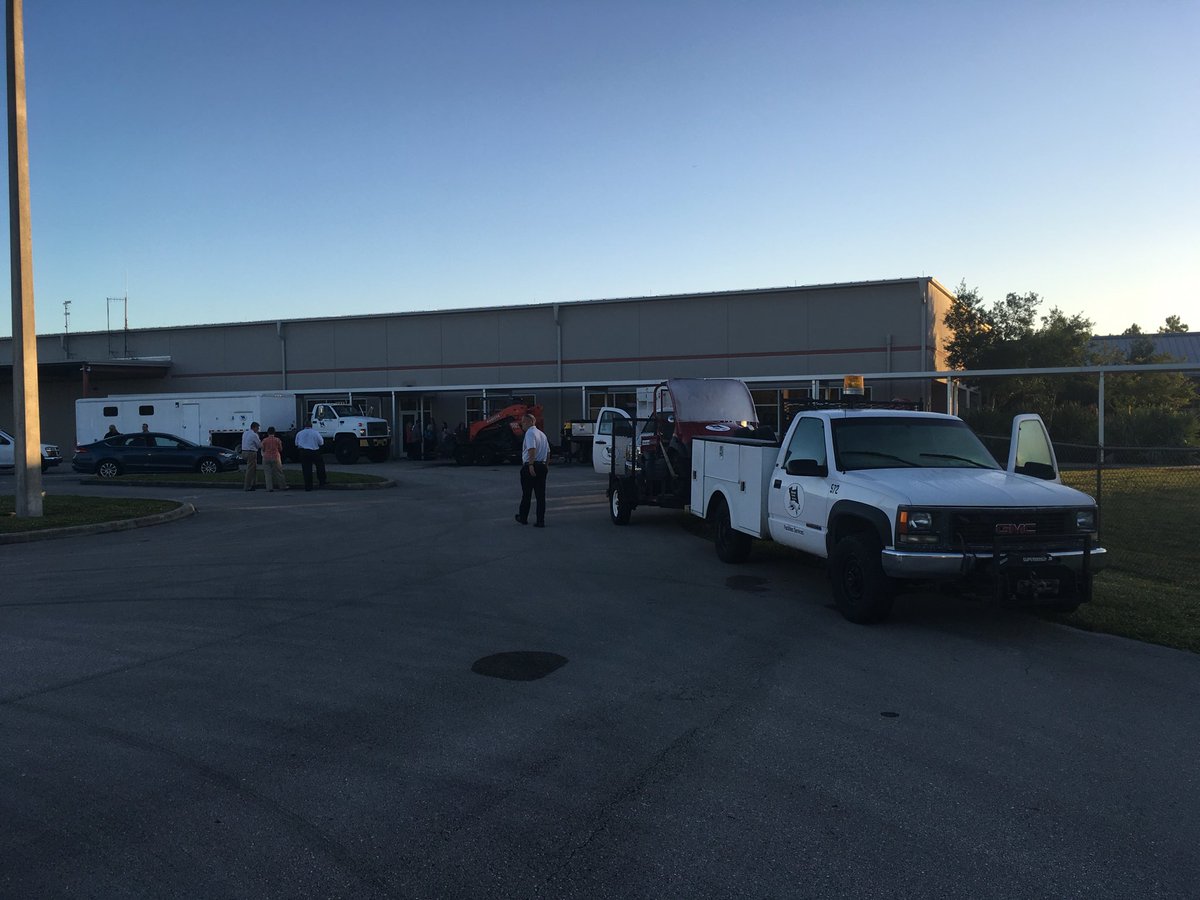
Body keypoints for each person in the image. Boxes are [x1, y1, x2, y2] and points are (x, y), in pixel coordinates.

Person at [514, 413, 550, 528]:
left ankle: (523, 517)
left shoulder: (530, 433)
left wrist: (530, 465)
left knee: (527, 494)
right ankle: (540, 520)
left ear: (530, 422)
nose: (521, 424)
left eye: (523, 422)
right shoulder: (542, 434)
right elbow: (548, 452)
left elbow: (532, 449)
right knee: (540, 496)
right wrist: (546, 465)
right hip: (542, 466)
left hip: (531, 466)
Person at [294, 422, 327, 491]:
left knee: (306, 469)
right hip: (314, 451)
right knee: (320, 466)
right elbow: (321, 442)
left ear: (304, 426)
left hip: (303, 452)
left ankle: (308, 486)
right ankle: (322, 481)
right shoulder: (315, 433)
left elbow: (296, 443)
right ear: (311, 426)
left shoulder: (300, 433)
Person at [261, 426, 288, 492]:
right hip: (276, 457)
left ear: (268, 433)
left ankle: (269, 488)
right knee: (279, 472)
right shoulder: (277, 440)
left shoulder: (264, 440)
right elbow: (280, 449)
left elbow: (263, 448)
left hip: (266, 457)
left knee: (268, 474)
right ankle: (283, 486)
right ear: (274, 432)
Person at [241, 422, 262, 491]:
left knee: (253, 468)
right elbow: (259, 445)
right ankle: (247, 486)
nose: (258, 430)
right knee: (250, 470)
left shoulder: (245, 433)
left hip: (244, 451)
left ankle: (254, 484)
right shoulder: (254, 435)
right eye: (257, 428)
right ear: (254, 427)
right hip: (251, 452)